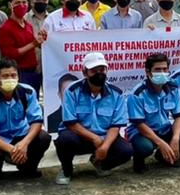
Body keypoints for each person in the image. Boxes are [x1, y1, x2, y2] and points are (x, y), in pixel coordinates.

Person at [54, 52, 133, 185]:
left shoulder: (116, 93)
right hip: (79, 136)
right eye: (94, 71)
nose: (99, 74)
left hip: (103, 137)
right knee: (64, 140)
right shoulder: (72, 91)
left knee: (126, 151)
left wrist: (105, 146)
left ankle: (100, 163)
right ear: (84, 72)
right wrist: (94, 138)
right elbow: (70, 123)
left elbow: (116, 125)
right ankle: (66, 170)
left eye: (102, 70)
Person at [0, 59, 52, 179]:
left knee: (44, 137)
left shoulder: (27, 92)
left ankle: (28, 168)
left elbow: (36, 121)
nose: (10, 79)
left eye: (13, 75)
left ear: (18, 77)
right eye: (5, 76)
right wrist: (13, 149)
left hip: (20, 134)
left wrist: (24, 143)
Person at [127, 53, 180, 172]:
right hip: (142, 133)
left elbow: (179, 117)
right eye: (157, 70)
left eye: (165, 69)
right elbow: (140, 125)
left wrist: (175, 138)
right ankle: (139, 161)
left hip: (164, 129)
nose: (162, 73)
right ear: (148, 72)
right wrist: (161, 143)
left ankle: (164, 156)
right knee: (145, 147)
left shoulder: (173, 88)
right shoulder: (137, 94)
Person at [0, 0, 41, 97]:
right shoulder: (5, 28)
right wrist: (33, 44)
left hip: (33, 72)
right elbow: (10, 54)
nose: (21, 6)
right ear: (10, 5)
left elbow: (35, 44)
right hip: (18, 73)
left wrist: (41, 39)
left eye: (24, 2)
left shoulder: (28, 25)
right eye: (17, 3)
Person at [26, 0, 51, 78]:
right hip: (30, 66)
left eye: (44, 0)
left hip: (49, 65)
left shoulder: (52, 19)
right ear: (32, 2)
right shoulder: (24, 19)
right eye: (38, 0)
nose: (42, 2)